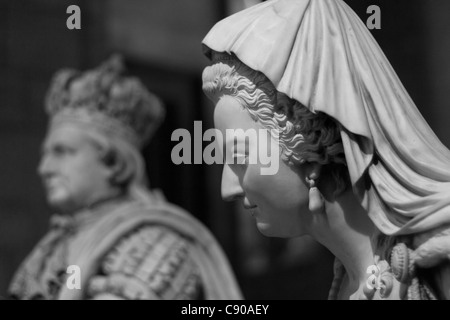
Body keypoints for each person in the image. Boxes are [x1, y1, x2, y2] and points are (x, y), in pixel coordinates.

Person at [201, 0, 450, 300]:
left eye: (240, 158)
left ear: (306, 147)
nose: (227, 190)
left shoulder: (436, 262)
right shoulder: (349, 283)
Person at [9, 56, 242, 300]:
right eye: (45, 154)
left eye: (62, 152)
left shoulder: (154, 243)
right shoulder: (52, 247)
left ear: (113, 162)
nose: (44, 168)